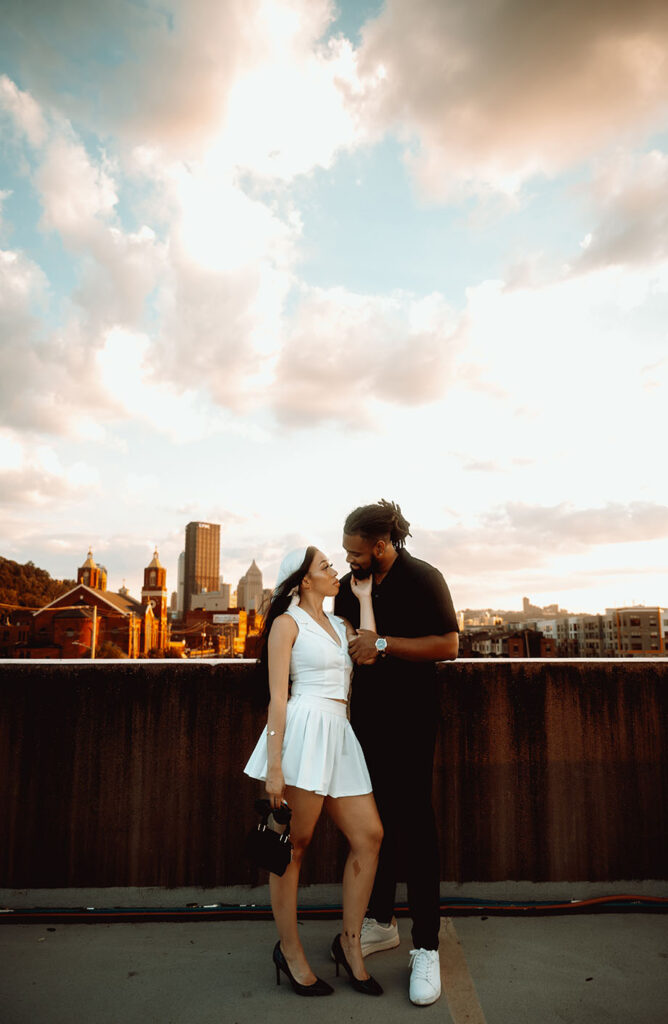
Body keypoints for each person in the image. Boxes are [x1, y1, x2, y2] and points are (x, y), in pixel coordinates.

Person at [334, 500, 459, 1007]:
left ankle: (425, 946)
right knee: (372, 826)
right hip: (362, 724)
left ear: (381, 545)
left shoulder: (425, 578)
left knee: (416, 827)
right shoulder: (348, 587)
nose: (349, 560)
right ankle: (380, 922)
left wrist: (383, 644)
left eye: (356, 552)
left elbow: (449, 644)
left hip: (411, 723)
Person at [244, 546, 385, 998]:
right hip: (304, 732)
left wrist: (363, 599)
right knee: (294, 847)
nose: (335, 571)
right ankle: (289, 951)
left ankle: (350, 946)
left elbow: (368, 655)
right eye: (325, 567)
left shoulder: (341, 624)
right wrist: (275, 766)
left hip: (339, 733)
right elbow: (279, 698)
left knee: (369, 836)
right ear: (304, 581)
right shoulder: (287, 625)